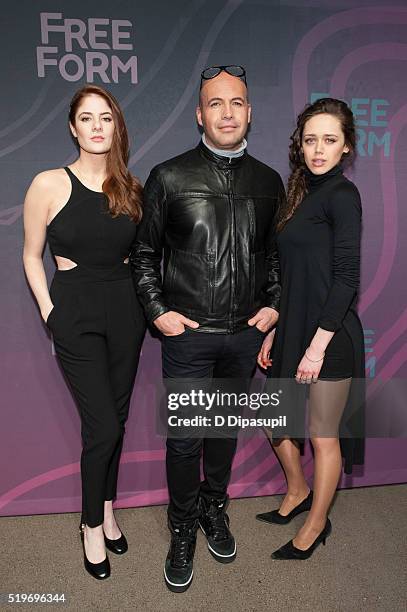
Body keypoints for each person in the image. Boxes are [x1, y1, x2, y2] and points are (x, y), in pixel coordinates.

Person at [131, 65, 284, 592]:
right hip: (189, 338)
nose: (226, 112)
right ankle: (182, 527)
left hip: (243, 337)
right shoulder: (168, 176)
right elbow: (145, 253)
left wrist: (274, 305)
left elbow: (274, 256)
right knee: (184, 441)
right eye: (215, 103)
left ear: (249, 112)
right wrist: (158, 311)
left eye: (236, 102)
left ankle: (213, 508)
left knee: (223, 434)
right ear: (199, 114)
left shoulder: (269, 181)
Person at [23, 84, 146, 579]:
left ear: (116, 127)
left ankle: (109, 508)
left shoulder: (130, 188)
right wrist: (51, 313)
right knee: (104, 428)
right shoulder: (47, 183)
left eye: (106, 118)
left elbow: (140, 259)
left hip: (126, 313)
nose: (97, 126)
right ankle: (90, 524)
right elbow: (32, 256)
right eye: (87, 118)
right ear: (73, 128)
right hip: (74, 314)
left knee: (114, 419)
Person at [256, 98, 365, 559]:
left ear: (346, 147)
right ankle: (298, 491)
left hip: (330, 336)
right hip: (295, 328)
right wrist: (277, 328)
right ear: (299, 145)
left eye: (329, 140)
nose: (318, 149)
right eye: (310, 139)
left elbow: (345, 281)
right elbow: (296, 274)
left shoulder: (343, 195)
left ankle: (316, 525)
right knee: (273, 420)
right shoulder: (301, 194)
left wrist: (316, 348)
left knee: (323, 436)